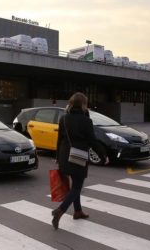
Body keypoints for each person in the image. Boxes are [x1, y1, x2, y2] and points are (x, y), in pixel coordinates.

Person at [52, 92, 109, 230]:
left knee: (75, 185)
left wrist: (57, 157)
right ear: (84, 104)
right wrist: (103, 155)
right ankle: (60, 211)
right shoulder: (86, 121)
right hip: (78, 156)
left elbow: (59, 140)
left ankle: (77, 211)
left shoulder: (63, 118)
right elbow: (92, 141)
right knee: (77, 186)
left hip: (65, 156)